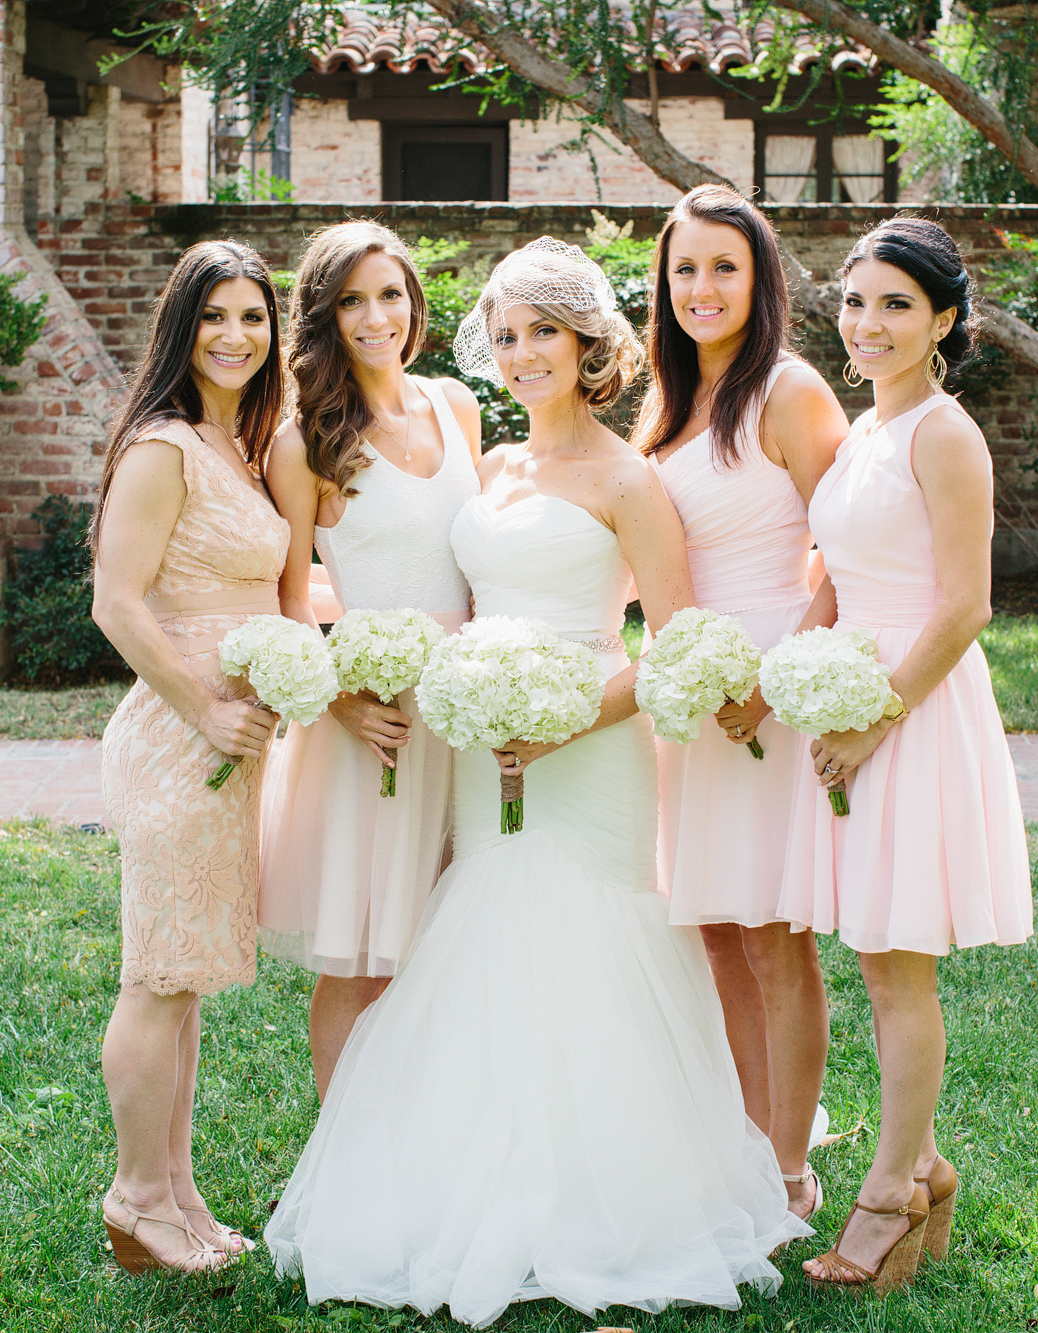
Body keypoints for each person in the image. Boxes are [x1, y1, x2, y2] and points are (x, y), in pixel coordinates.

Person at [266, 237, 808, 1328]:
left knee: (589, 941)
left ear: (585, 341)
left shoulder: (628, 478)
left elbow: (669, 643)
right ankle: (476, 1172)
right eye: (504, 336)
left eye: (541, 334)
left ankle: (613, 1189)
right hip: (479, 746)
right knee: (480, 938)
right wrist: (472, 697)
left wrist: (562, 721)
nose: (520, 354)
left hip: (589, 752)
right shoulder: (495, 462)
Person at [780, 218, 1033, 1292]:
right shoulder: (860, 428)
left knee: (895, 965)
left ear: (942, 320)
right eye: (853, 299)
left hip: (911, 706)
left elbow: (965, 603)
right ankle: (921, 1167)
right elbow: (837, 564)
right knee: (870, 948)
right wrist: (797, 662)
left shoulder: (941, 433)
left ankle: (888, 1188)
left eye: (893, 303)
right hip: (848, 693)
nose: (866, 321)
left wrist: (874, 717)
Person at [635, 184, 850, 1223]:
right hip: (690, 693)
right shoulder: (662, 403)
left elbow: (853, 549)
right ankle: (745, 1138)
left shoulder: (789, 391)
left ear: (758, 278)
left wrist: (773, 684)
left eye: (723, 266)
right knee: (714, 926)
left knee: (774, 934)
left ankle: (789, 1171)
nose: (701, 287)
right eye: (684, 268)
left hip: (768, 689)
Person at [91, 240, 290, 1274]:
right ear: (181, 328)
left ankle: (177, 1194)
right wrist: (206, 709)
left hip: (231, 742)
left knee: (187, 977)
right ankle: (133, 1192)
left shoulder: (235, 444)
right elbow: (116, 602)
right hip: (181, 738)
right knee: (158, 975)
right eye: (213, 316)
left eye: (252, 316)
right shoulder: (163, 446)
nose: (234, 335)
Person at [259, 221, 483, 1098]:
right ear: (324, 316)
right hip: (376, 722)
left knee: (453, 942)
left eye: (389, 293)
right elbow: (287, 599)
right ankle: (343, 1168)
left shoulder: (454, 404)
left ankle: (432, 1142)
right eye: (351, 299)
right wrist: (342, 703)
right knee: (363, 955)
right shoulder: (304, 439)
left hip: (468, 712)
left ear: (415, 302)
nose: (375, 315)